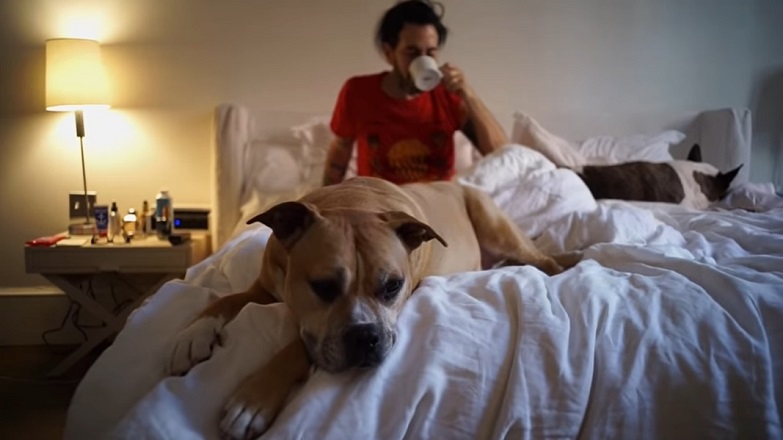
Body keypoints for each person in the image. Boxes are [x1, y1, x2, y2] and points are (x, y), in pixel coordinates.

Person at [322, 0, 509, 186]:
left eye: (431, 52)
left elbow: (503, 156)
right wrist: (321, 199)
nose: (423, 60)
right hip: (380, 199)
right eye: (412, 52)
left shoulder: (449, 94)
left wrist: (468, 93)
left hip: (437, 199)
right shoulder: (358, 91)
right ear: (389, 53)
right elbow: (341, 151)